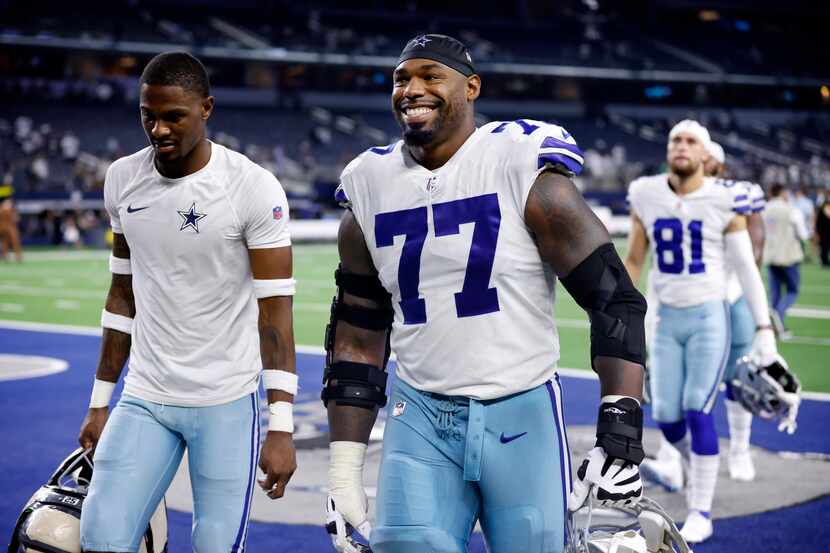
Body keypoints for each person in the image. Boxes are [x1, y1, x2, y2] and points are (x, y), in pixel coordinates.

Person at [322, 34, 648, 553]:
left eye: (432, 76)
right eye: (401, 78)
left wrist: (621, 426)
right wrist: (343, 470)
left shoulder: (521, 165)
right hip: (419, 415)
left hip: (521, 410)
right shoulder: (368, 183)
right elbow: (358, 334)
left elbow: (615, 300)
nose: (412, 89)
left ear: (471, 87)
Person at [76, 52, 298, 553]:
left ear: (207, 108)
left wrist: (280, 424)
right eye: (147, 115)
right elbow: (121, 294)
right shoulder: (121, 179)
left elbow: (275, 316)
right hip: (146, 394)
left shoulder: (251, 187)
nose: (158, 129)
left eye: (173, 116)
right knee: (100, 538)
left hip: (225, 399)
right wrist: (99, 401)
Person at [624, 121, 782, 544]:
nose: (681, 145)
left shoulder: (724, 199)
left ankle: (702, 509)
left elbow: (747, 268)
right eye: (675, 138)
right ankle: (698, 470)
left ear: (704, 153)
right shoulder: (646, 192)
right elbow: (636, 257)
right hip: (667, 320)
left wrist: (764, 326)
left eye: (691, 140)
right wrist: (617, 305)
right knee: (667, 418)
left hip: (709, 317)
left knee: (698, 407)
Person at [763, 184, 810, 335]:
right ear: (783, 193)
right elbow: (803, 235)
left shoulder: (764, 209)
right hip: (789, 255)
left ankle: (773, 325)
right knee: (792, 290)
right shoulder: (792, 210)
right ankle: (779, 315)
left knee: (775, 292)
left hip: (770, 255)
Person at [0, 184, 23, 262]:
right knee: (15, 241)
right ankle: (18, 256)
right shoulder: (10, 206)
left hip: (2, 226)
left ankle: (5, 256)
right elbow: (16, 218)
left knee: (5, 242)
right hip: (10, 227)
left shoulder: (2, 206)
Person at [816, 198, 830, 267]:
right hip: (824, 233)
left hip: (824, 232)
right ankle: (824, 262)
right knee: (824, 248)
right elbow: (818, 223)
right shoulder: (823, 210)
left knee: (825, 248)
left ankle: (825, 261)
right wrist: (818, 232)